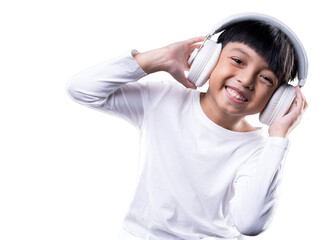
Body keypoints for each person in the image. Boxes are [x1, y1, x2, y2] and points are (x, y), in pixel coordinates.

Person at [67, 16, 307, 240]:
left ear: (278, 98)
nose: (246, 80)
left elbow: (250, 224)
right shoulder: (164, 99)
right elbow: (81, 89)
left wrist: (278, 137)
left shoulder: (257, 150)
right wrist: (158, 58)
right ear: (209, 58)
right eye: (237, 61)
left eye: (266, 78)